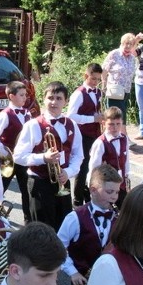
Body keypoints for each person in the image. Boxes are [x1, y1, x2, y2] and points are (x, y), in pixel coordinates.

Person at [57, 163, 121, 285]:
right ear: (93, 190)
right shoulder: (75, 217)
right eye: (109, 191)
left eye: (117, 192)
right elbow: (59, 247)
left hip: (109, 281)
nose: (114, 197)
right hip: (83, 281)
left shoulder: (118, 216)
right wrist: (72, 272)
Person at [13, 81, 83, 230]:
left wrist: (68, 172)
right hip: (39, 183)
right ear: (44, 99)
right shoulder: (32, 125)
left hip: (62, 181)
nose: (54, 102)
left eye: (59, 98)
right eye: (50, 98)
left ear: (65, 101)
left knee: (64, 227)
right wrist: (43, 158)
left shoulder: (72, 125)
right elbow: (18, 156)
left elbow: (78, 155)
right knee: (42, 230)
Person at [0, 81, 32, 223]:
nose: (24, 97)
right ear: (11, 96)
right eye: (21, 95)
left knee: (27, 191)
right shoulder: (5, 115)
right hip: (8, 159)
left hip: (23, 158)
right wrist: (5, 152)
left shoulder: (27, 114)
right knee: (0, 187)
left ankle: (29, 222)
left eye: (25, 95)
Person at [66, 63, 105, 206]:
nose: (95, 82)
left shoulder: (98, 92)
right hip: (82, 135)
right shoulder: (79, 93)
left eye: (98, 79)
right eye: (93, 79)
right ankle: (77, 201)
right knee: (82, 168)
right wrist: (92, 119)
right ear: (86, 76)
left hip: (95, 133)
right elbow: (71, 116)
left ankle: (89, 197)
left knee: (93, 166)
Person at [86, 107, 130, 207]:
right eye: (111, 124)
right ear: (104, 123)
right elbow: (94, 167)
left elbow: (126, 159)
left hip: (121, 185)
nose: (115, 127)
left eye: (118, 124)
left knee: (123, 211)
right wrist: (92, 187)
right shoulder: (100, 143)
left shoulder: (124, 138)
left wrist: (127, 175)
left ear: (122, 123)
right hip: (107, 187)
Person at [100, 33, 137, 124]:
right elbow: (104, 70)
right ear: (121, 43)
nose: (128, 46)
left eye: (130, 44)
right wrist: (104, 85)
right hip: (114, 90)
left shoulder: (132, 58)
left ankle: (120, 136)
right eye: (126, 43)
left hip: (126, 91)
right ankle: (121, 136)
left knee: (122, 115)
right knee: (115, 116)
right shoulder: (114, 54)